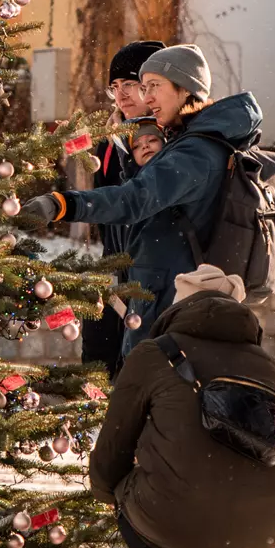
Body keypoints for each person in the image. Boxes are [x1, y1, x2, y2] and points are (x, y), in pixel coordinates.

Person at [91, 265, 275, 548]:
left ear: (178, 307)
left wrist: (107, 491)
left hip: (174, 512)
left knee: (128, 488)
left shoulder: (152, 354)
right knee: (231, 483)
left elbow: (114, 444)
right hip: (267, 524)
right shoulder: (268, 365)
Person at [27, 44, 260, 355]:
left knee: (153, 394)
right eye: (142, 87)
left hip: (172, 302)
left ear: (185, 89)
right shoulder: (187, 142)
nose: (146, 97)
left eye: (153, 86)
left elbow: (135, 199)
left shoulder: (196, 152)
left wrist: (62, 204)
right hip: (163, 296)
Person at [83, 41, 165, 382]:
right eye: (115, 87)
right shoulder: (108, 143)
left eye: (129, 84)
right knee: (98, 376)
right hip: (113, 277)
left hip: (155, 284)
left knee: (145, 383)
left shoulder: (169, 141)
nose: (121, 95)